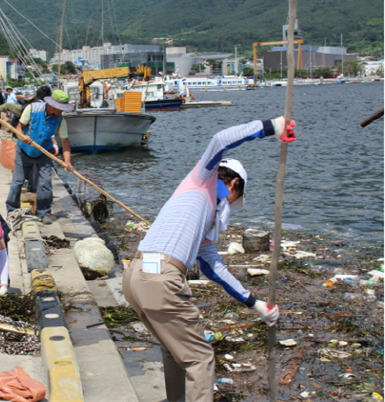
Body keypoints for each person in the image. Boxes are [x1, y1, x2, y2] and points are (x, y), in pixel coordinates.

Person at [122, 116, 296, 401]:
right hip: (161, 278)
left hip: (136, 276)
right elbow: (221, 140)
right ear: (234, 184)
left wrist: (254, 304)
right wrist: (271, 127)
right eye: (234, 197)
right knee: (200, 358)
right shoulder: (203, 179)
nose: (230, 205)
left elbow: (214, 268)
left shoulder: (204, 217)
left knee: (176, 349)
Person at [5, 89, 74, 225]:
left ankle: (44, 212)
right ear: (53, 105)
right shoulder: (32, 108)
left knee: (45, 184)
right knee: (17, 182)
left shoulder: (60, 120)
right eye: (61, 108)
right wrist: (22, 137)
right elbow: (19, 127)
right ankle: (12, 210)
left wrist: (67, 162)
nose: (62, 111)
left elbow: (65, 142)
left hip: (44, 152)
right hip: (24, 150)